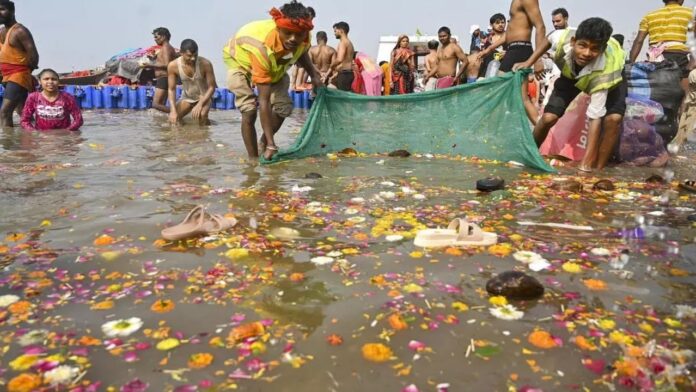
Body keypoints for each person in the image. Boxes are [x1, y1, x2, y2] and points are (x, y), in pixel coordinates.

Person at [223, 1, 323, 159]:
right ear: (278, 28)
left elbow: (302, 50)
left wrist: (314, 75)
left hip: (275, 65)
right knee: (249, 111)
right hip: (241, 62)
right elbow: (264, 101)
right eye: (288, 33)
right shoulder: (261, 48)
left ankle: (263, 141)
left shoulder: (304, 33)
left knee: (284, 108)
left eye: (298, 34)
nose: (293, 39)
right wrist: (273, 142)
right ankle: (253, 160)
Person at [533, 18, 627, 172]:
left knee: (613, 119)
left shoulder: (605, 73)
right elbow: (549, 37)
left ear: (602, 50)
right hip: (571, 74)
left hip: (611, 79)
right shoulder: (562, 38)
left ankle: (597, 168)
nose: (586, 53)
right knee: (548, 118)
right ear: (573, 42)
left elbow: (594, 118)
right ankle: (530, 152)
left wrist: (585, 167)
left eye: (594, 49)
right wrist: (534, 60)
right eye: (582, 46)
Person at [629, 0, 695, 95]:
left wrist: (631, 63)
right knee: (683, 93)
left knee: (658, 93)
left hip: (655, 58)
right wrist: (693, 60)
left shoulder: (650, 15)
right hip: (679, 56)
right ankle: (682, 108)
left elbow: (639, 41)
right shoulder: (689, 13)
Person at [501, 0, 549, 124]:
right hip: (513, 49)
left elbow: (540, 26)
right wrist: (488, 50)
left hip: (520, 49)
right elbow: (508, 34)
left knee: (499, 90)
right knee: (521, 98)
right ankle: (540, 131)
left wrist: (538, 59)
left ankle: (541, 132)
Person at [0, 0, 38, 127]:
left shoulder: (20, 31)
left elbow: (34, 56)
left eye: (2, 9)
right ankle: (35, 137)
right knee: (23, 113)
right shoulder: (1, 32)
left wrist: (25, 74)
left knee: (4, 113)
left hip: (18, 75)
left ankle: (8, 145)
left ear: (12, 11)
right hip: (6, 76)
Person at [167, 39, 216, 126]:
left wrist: (200, 104)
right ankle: (186, 135)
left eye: (195, 55)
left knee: (201, 116)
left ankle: (205, 131)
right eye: (189, 56)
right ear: (181, 53)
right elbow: (171, 89)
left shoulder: (205, 64)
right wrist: (173, 110)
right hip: (187, 98)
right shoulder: (173, 66)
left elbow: (212, 87)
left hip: (203, 97)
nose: (193, 58)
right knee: (173, 120)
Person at [141, 27, 176, 113]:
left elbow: (168, 65)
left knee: (155, 104)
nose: (155, 39)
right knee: (161, 105)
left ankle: (177, 113)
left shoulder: (166, 48)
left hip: (164, 78)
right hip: (165, 78)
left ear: (163, 37)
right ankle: (163, 124)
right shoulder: (167, 48)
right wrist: (155, 58)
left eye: (156, 37)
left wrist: (150, 65)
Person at [477, 13, 507, 78]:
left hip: (503, 73)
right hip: (487, 72)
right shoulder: (488, 40)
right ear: (491, 24)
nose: (500, 25)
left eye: (502, 22)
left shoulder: (508, 36)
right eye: (497, 23)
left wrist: (506, 54)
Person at [326, 21, 354, 91]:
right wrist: (331, 75)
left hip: (344, 75)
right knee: (330, 87)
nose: (334, 33)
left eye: (335, 31)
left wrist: (331, 65)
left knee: (342, 98)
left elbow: (339, 59)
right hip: (345, 73)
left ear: (341, 31)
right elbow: (343, 62)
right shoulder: (349, 43)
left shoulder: (343, 42)